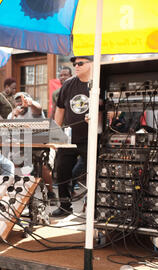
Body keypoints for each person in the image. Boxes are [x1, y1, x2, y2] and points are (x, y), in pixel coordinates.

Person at [52, 56, 100, 217]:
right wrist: (55, 135)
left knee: (96, 173)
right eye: (74, 64)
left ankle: (95, 206)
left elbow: (112, 111)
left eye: (80, 63)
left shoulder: (99, 82)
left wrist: (96, 116)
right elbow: (60, 110)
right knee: (61, 169)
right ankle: (65, 206)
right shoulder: (68, 85)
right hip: (69, 139)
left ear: (91, 64)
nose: (76, 66)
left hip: (92, 139)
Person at [7, 92, 55, 199]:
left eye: (22, 100)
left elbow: (38, 108)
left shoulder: (33, 110)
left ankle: (51, 192)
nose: (20, 103)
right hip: (22, 147)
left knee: (44, 166)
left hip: (40, 146)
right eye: (17, 101)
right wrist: (13, 117)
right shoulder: (12, 115)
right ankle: (19, 191)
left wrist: (31, 103)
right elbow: (7, 132)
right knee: (12, 162)